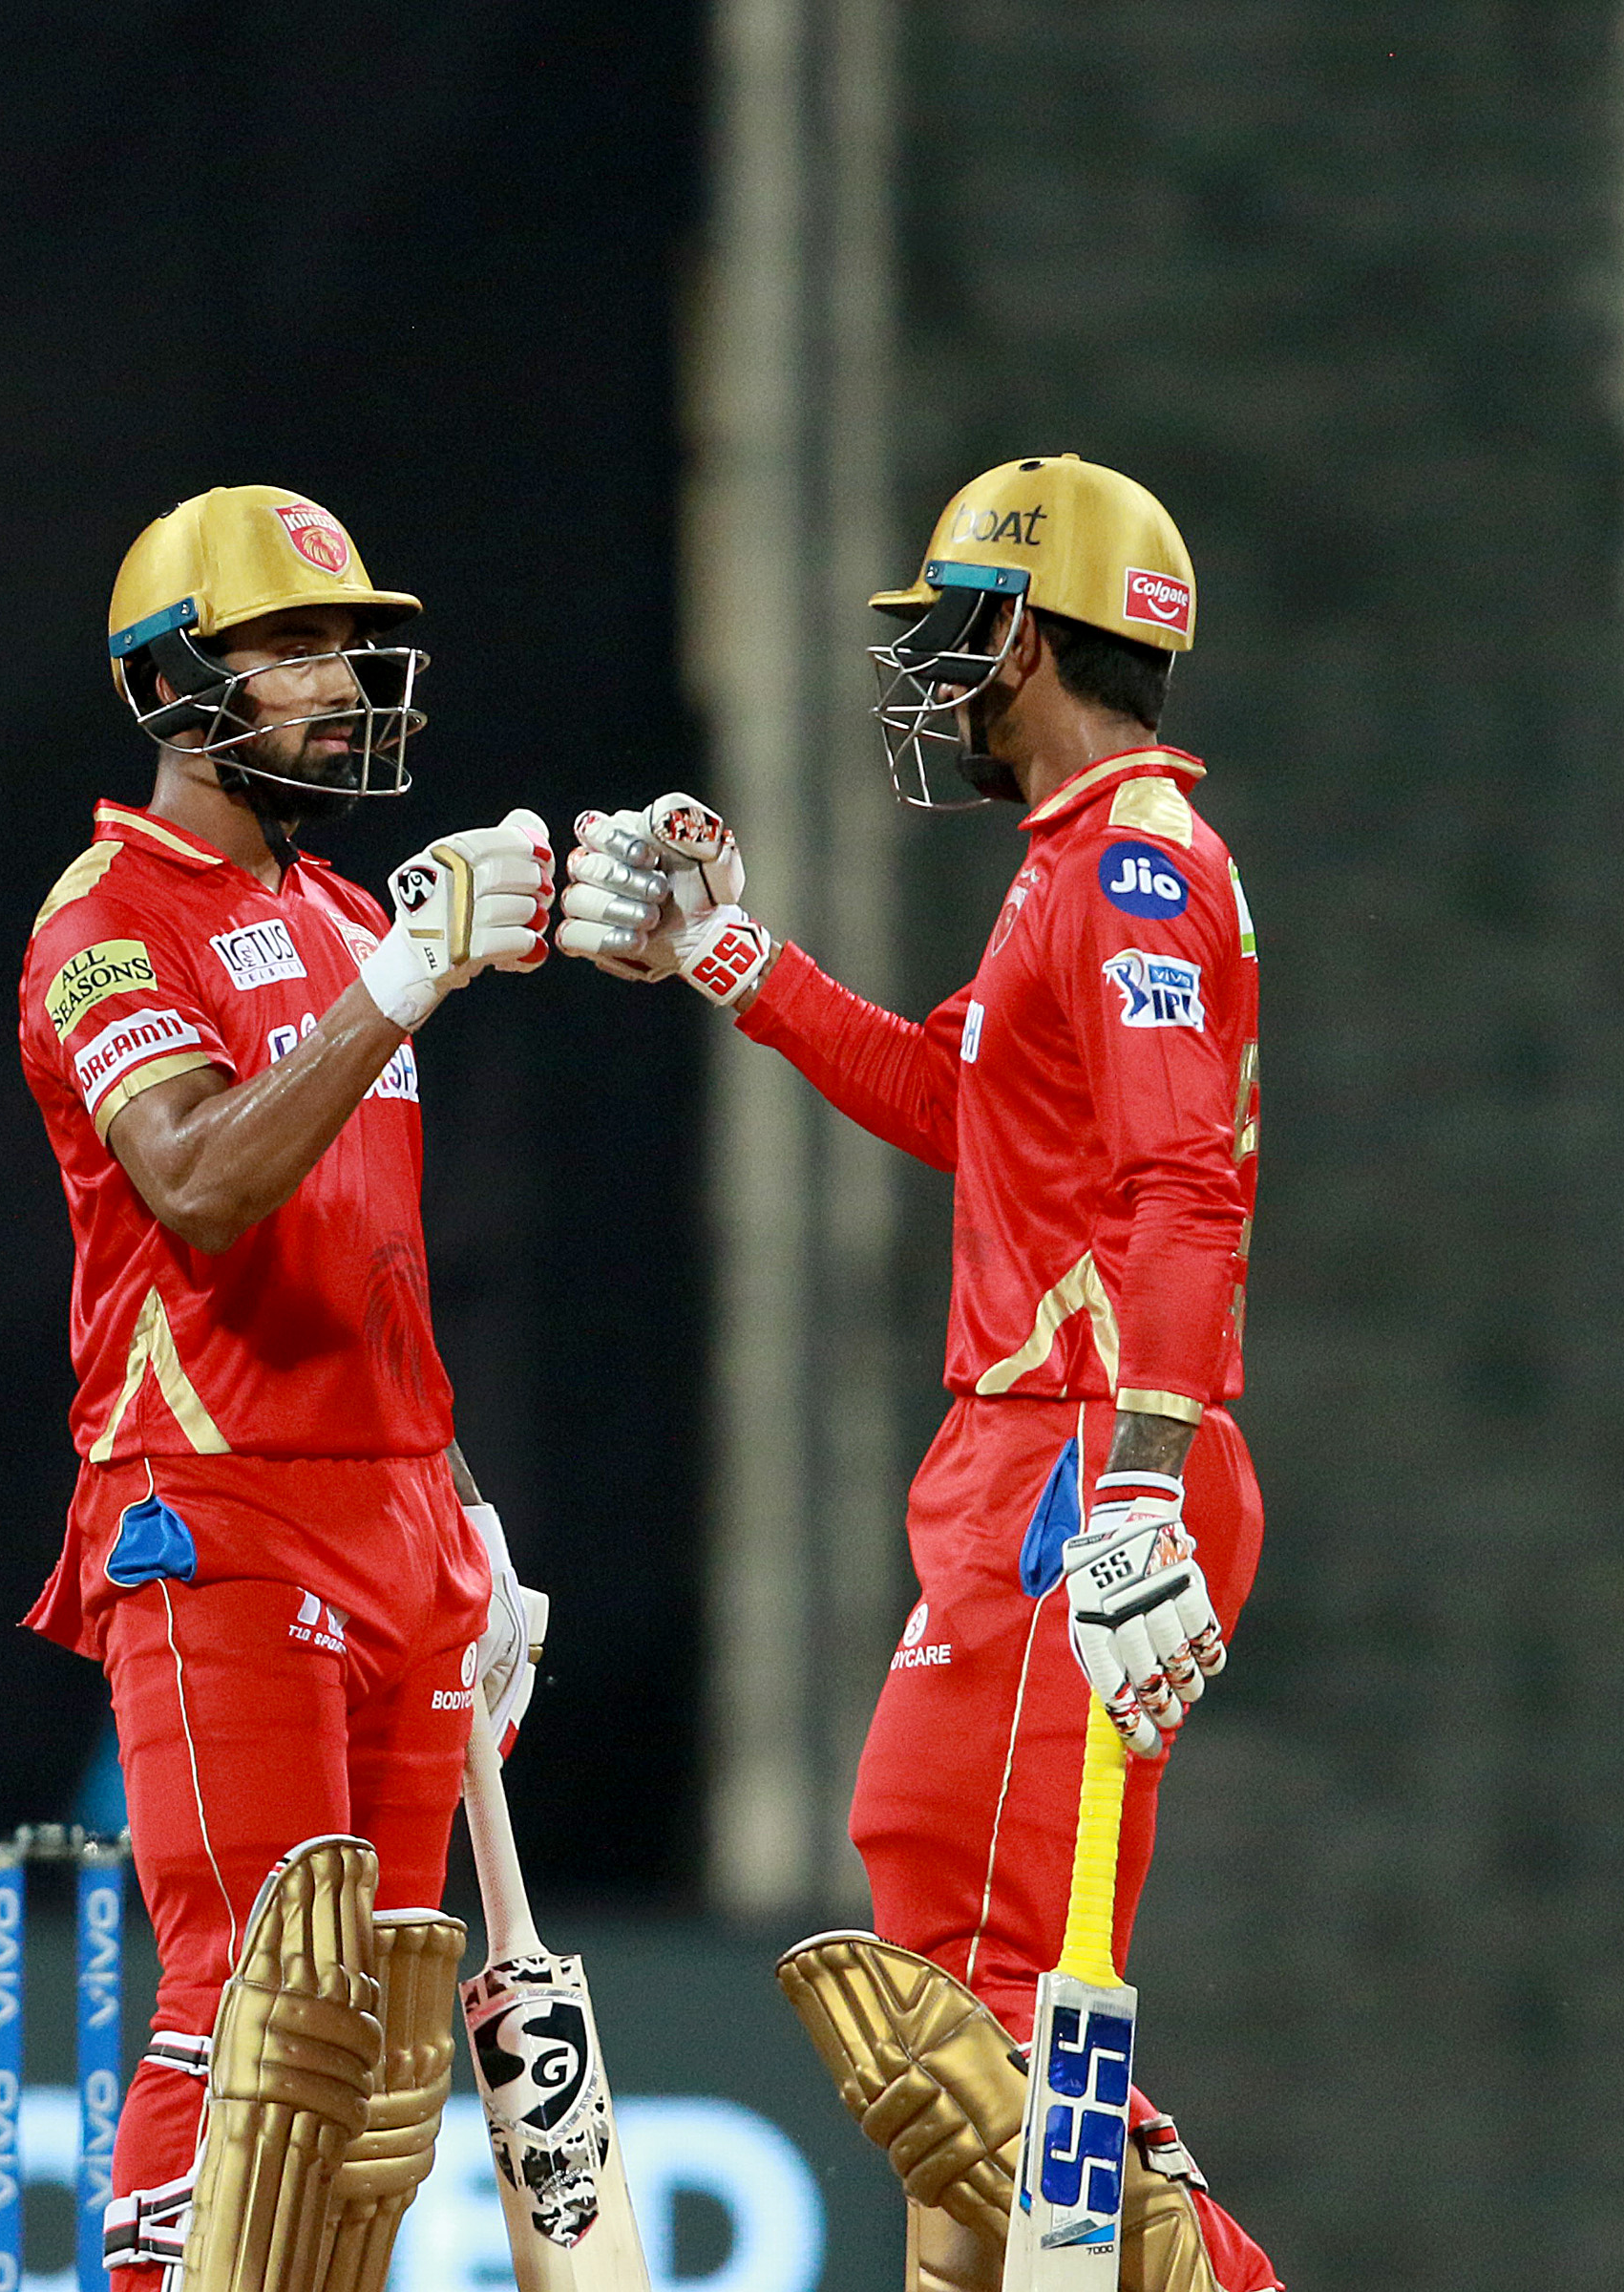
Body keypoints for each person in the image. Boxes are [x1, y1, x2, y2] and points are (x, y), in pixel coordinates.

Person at [559, 456, 1281, 2292]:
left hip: (1083, 1467)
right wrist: (731, 958)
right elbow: (954, 1101)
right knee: (981, 1987)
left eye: (954, 634)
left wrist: (1133, 1487)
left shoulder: (1131, 864)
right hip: (1043, 1464)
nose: (935, 674)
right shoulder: (1068, 869)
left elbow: (1184, 1184)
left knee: (971, 1952)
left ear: (1027, 636)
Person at [17, 483, 555, 2292]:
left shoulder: (334, 918)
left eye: (346, 645)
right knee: (255, 1979)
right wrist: (405, 979)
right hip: (217, 1500)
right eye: (290, 648)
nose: (340, 683)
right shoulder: (106, 916)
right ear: (176, 681)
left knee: (387, 2026)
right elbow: (197, 1183)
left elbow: (369, 1267)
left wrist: (467, 1514)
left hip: (397, 1515)